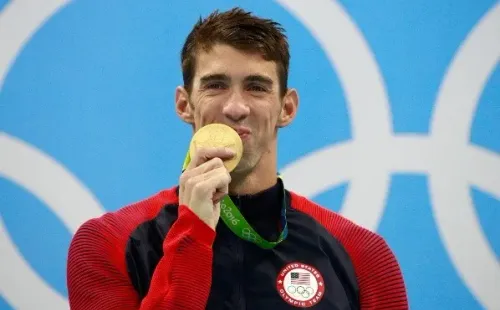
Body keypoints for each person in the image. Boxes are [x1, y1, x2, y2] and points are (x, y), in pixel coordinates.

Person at [67, 7, 408, 310]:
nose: (235, 108)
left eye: (256, 87)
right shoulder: (109, 242)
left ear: (286, 108)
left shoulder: (362, 254)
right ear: (184, 104)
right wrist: (193, 233)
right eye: (215, 85)